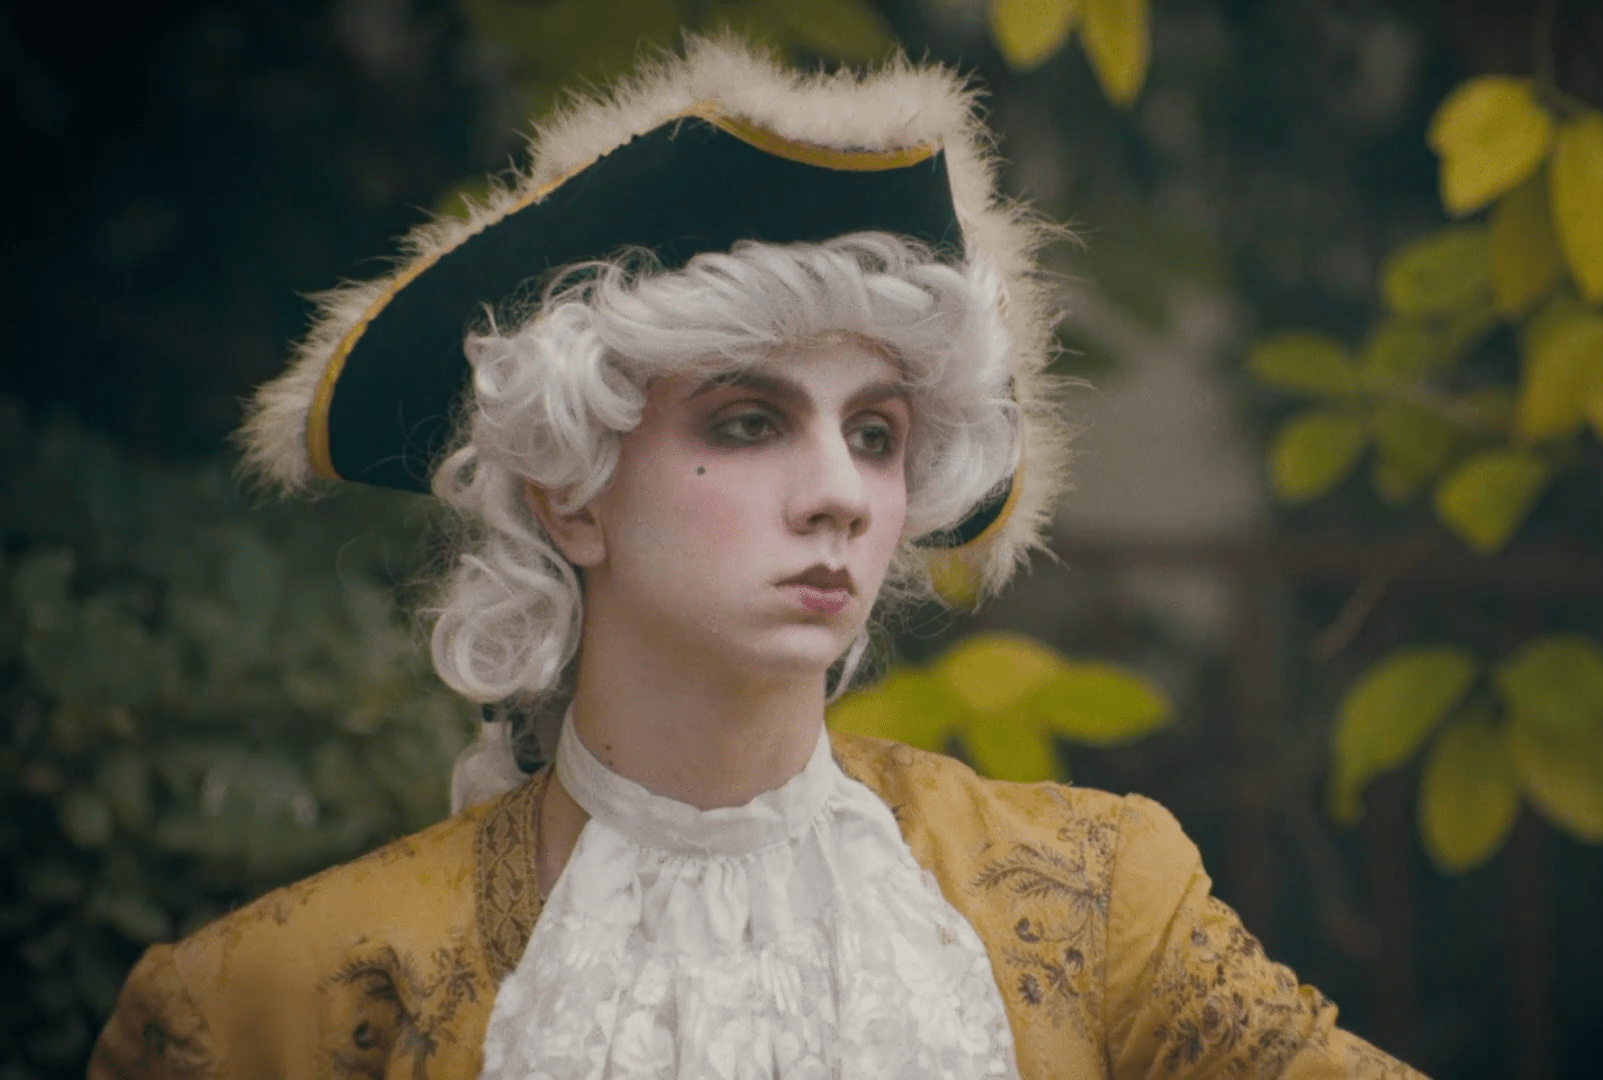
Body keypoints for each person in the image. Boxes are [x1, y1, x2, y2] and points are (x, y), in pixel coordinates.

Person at [89, 37, 1427, 1080]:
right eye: (747, 421)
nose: (839, 493)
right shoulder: (273, 1005)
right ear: (571, 494)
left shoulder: (1100, 902)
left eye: (877, 435)